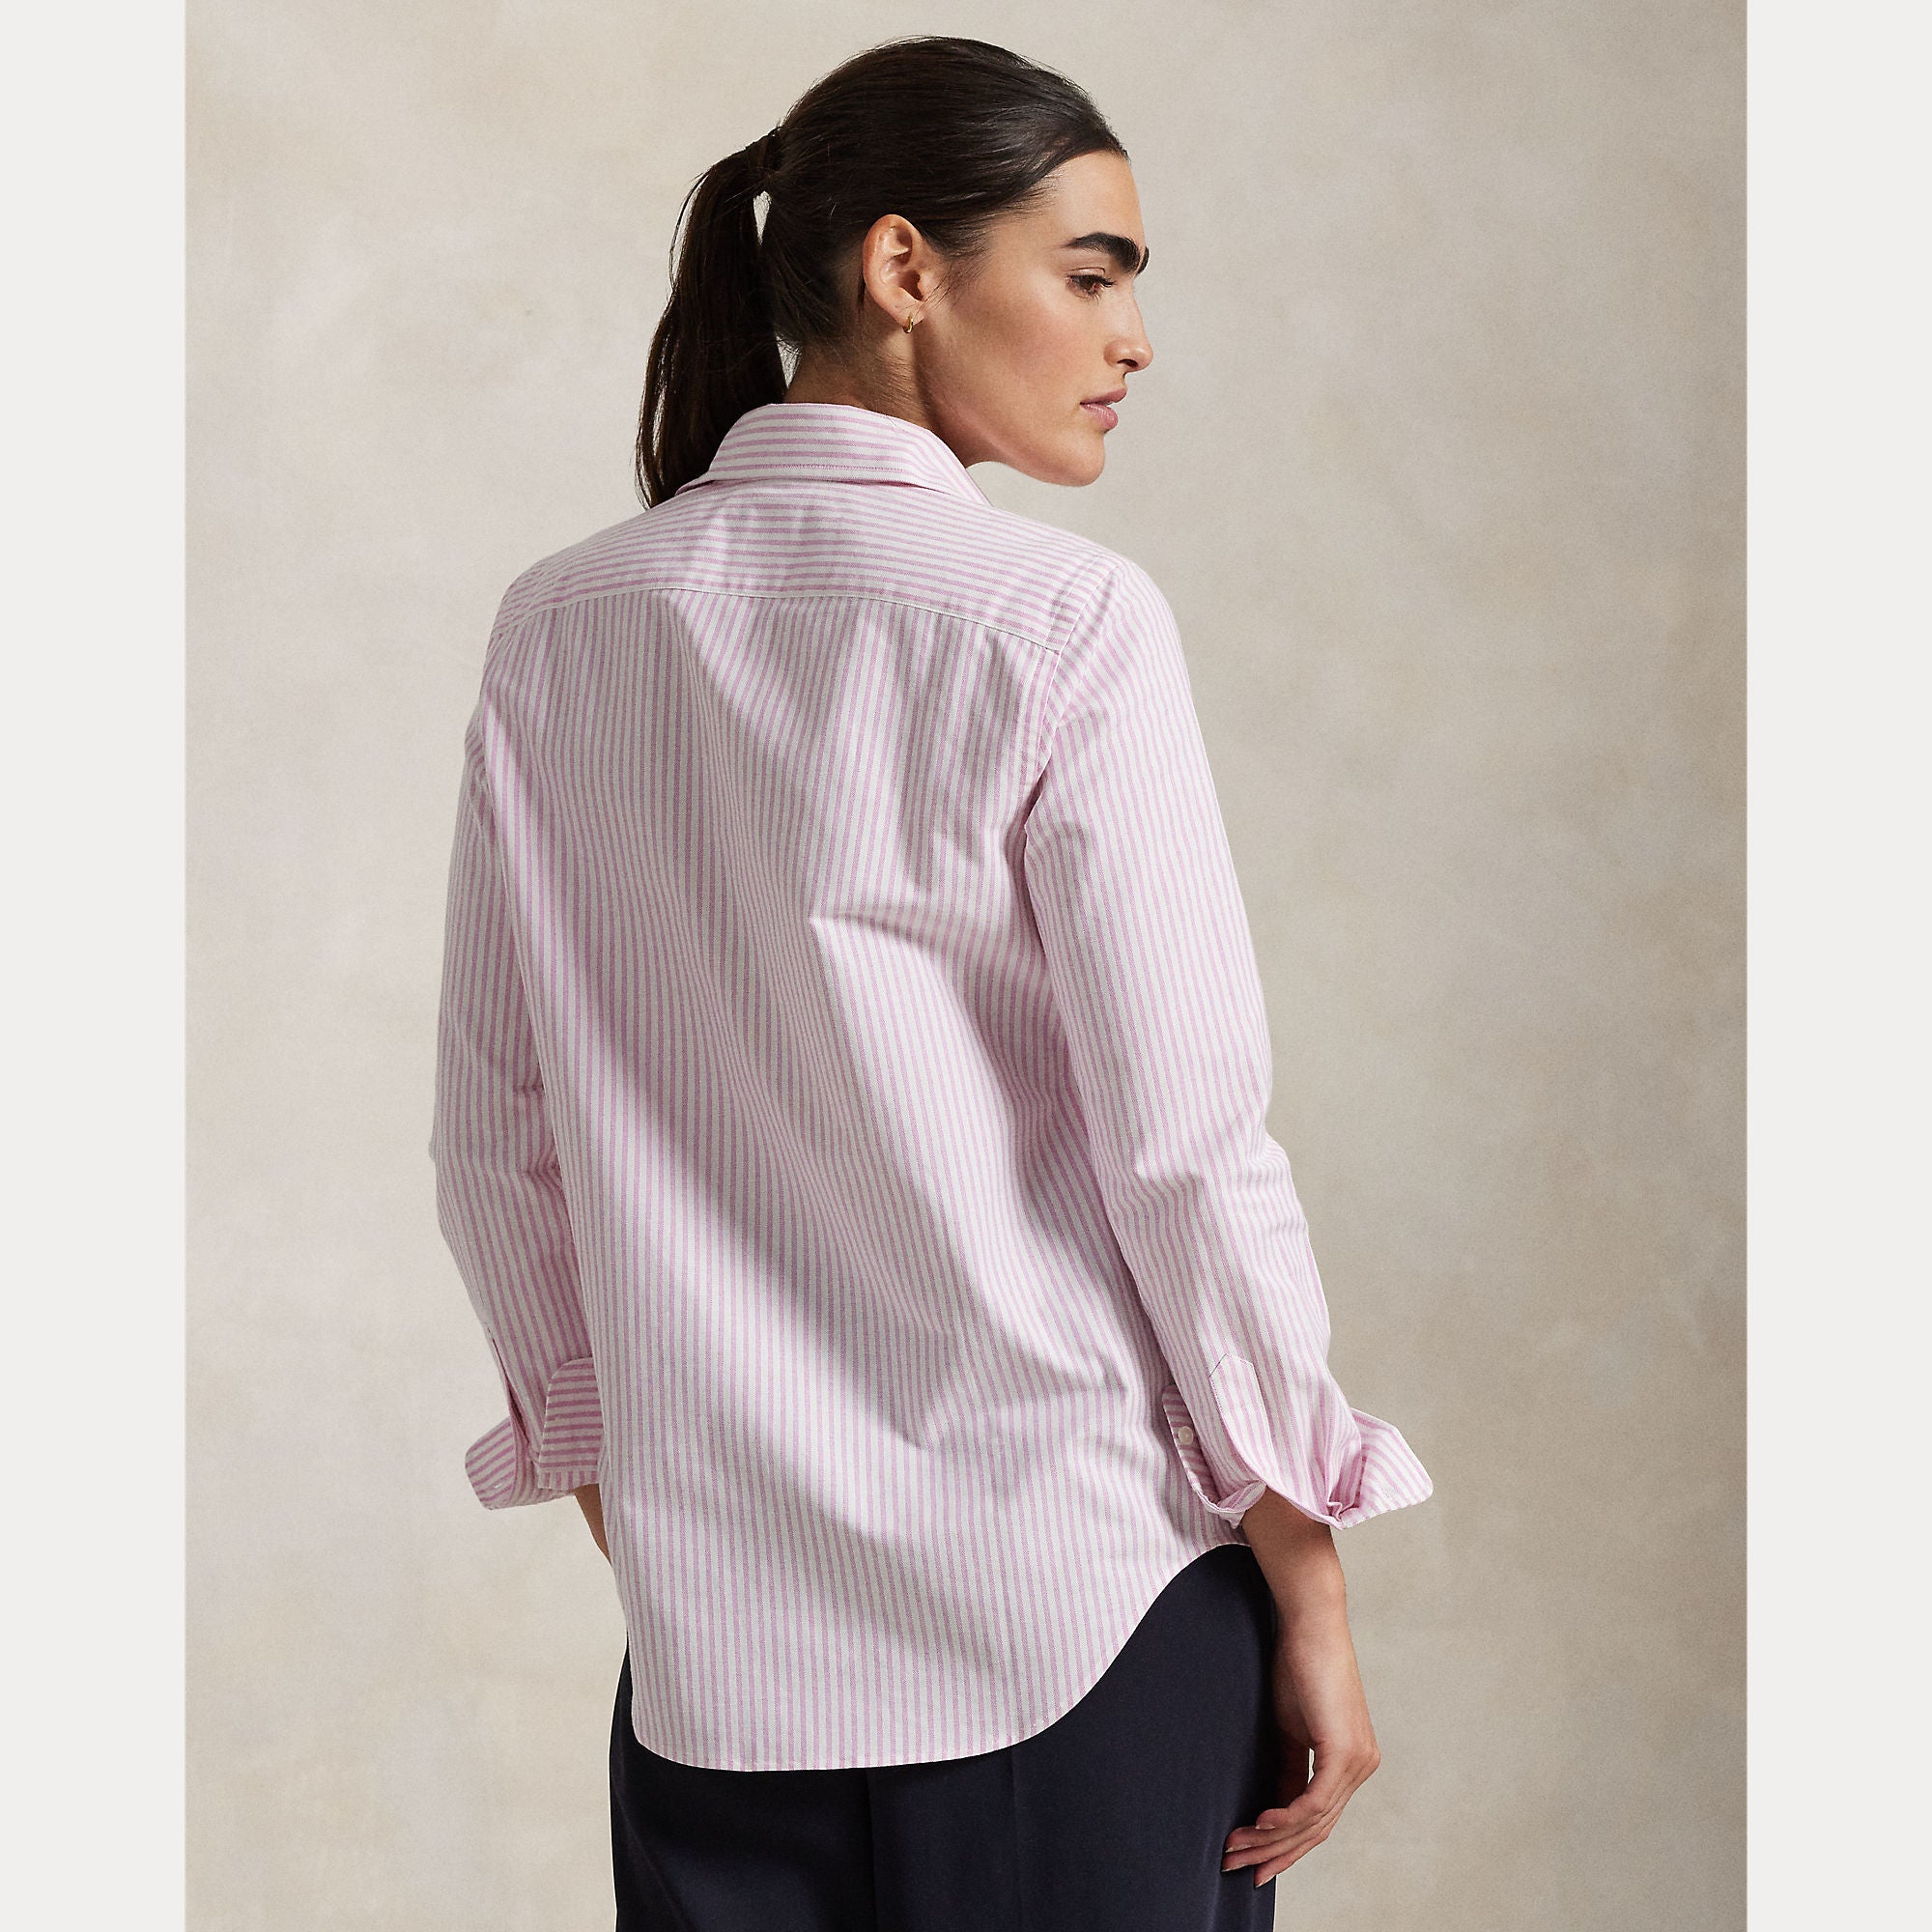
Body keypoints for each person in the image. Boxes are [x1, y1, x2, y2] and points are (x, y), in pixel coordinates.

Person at [429, 32, 1434, 1931]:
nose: (1134, 339)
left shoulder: (561, 624)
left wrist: (654, 1513)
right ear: (904, 266)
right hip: (1085, 1615)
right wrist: (1305, 1570)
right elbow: (1184, 1150)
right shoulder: (1062, 620)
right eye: (1092, 272)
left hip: (720, 1661)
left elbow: (496, 1138)